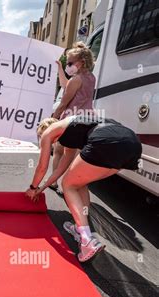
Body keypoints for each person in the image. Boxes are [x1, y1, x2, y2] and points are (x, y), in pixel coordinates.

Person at [25, 115, 142, 262]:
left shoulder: (49, 132)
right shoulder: (72, 129)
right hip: (132, 144)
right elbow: (60, 170)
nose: (52, 144)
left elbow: (42, 167)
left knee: (68, 185)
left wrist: (32, 187)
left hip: (106, 140)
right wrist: (41, 189)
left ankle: (86, 240)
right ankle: (80, 227)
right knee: (78, 182)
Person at [49, 42, 96, 192]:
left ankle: (56, 182)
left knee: (58, 151)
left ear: (81, 62)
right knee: (72, 154)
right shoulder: (90, 77)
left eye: (70, 62)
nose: (68, 65)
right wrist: (60, 69)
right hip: (85, 119)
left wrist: (53, 120)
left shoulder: (77, 79)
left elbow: (63, 103)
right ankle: (70, 184)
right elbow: (66, 86)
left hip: (70, 120)